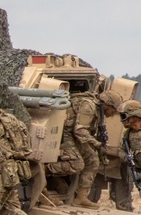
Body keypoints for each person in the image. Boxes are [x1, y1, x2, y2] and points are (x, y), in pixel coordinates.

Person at [44, 78, 105, 208]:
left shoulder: (98, 109)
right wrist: (96, 144)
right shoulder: (89, 106)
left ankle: (81, 198)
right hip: (64, 132)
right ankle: (44, 171)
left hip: (72, 134)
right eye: (113, 110)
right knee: (77, 164)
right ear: (108, 105)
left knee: (93, 160)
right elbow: (79, 130)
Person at [89, 89, 133, 212]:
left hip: (120, 165)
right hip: (102, 162)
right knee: (91, 196)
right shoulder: (95, 114)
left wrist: (105, 150)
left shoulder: (136, 132)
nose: (113, 113)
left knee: (122, 201)